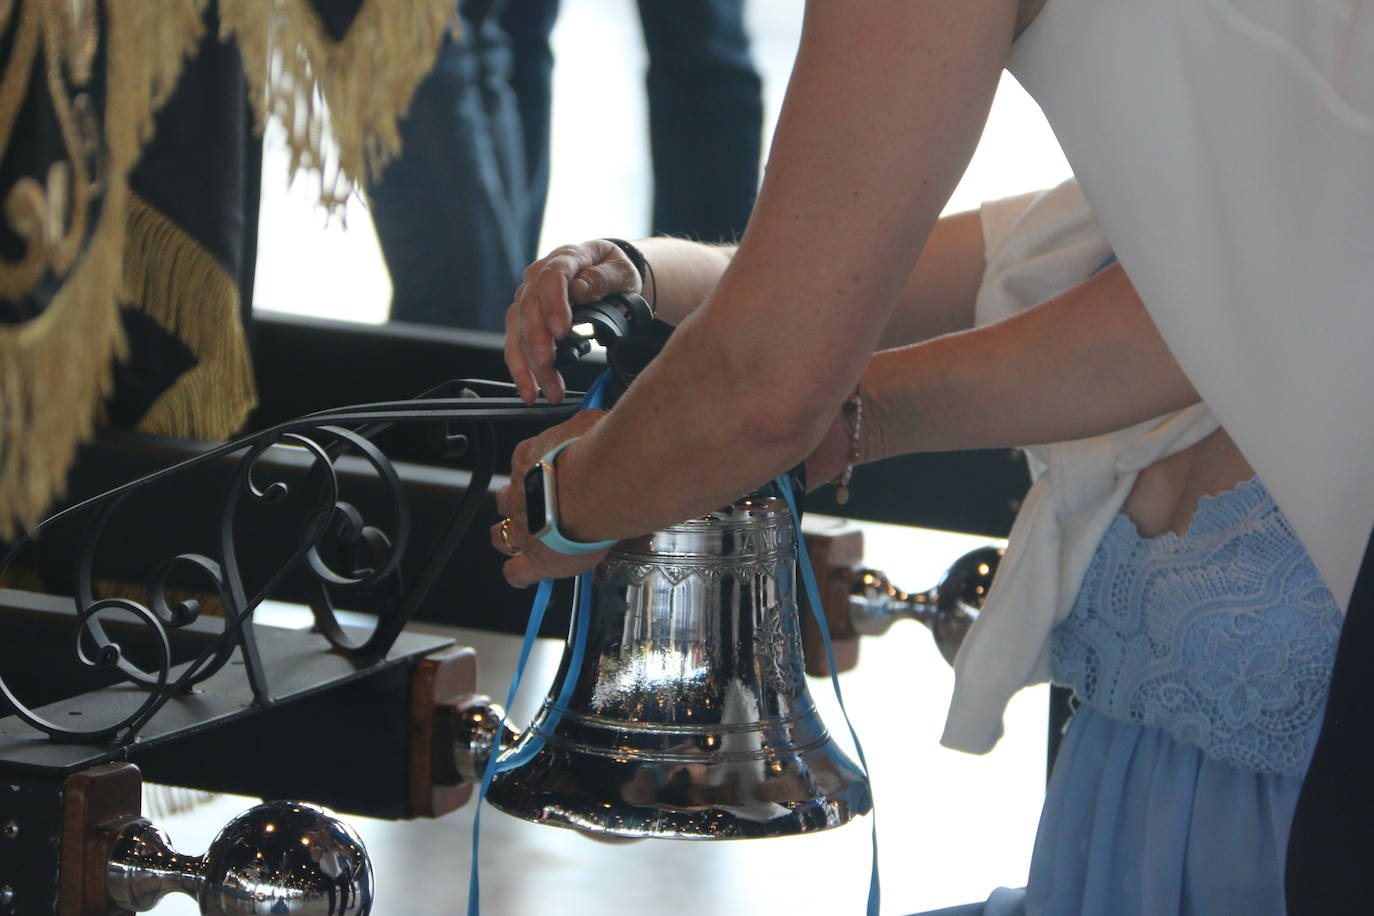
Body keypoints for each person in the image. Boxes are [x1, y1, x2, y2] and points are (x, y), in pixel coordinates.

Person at [494, 0, 1374, 911]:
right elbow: (856, 265)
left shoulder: (1246, 250)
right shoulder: (1188, 193)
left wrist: (570, 504)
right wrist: (640, 268)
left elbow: (768, 381)